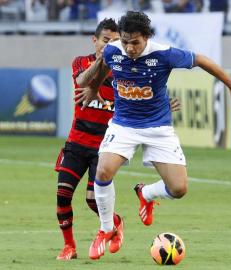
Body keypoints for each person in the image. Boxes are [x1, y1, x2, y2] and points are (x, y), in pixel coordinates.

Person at [74, 11, 231, 260]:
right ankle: (106, 229)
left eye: (135, 42)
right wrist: (93, 88)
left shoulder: (164, 53)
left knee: (179, 188)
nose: (129, 47)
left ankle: (146, 193)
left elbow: (201, 60)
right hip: (123, 125)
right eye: (126, 41)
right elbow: (103, 68)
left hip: (158, 127)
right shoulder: (113, 50)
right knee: (103, 171)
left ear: (147, 37)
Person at [54, 17, 183, 260]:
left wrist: (160, 103)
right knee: (62, 194)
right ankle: (69, 246)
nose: (110, 45)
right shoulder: (81, 63)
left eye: (115, 41)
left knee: (94, 201)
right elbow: (83, 80)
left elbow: (136, 94)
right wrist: (96, 85)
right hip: (76, 142)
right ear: (95, 41)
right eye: (106, 40)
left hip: (102, 145)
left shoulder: (122, 68)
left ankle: (114, 224)